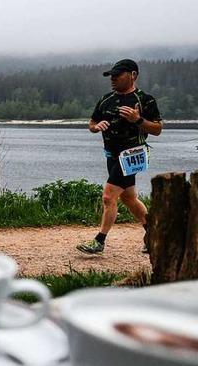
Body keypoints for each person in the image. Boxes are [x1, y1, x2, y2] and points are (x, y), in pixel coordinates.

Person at [77, 59, 163, 255]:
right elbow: (92, 122)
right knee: (129, 198)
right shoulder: (106, 99)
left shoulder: (145, 99)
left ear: (133, 75)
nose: (113, 79)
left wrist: (138, 119)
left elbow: (158, 129)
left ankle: (99, 241)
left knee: (108, 197)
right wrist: (95, 128)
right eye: (111, 76)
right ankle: (154, 234)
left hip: (133, 154)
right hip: (111, 155)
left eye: (118, 75)